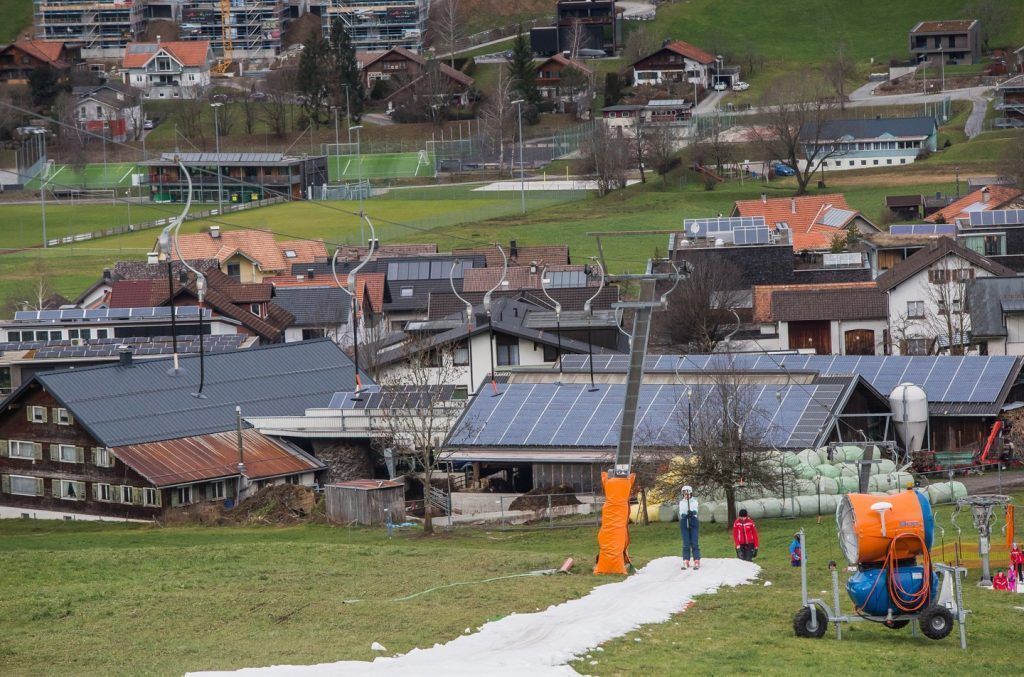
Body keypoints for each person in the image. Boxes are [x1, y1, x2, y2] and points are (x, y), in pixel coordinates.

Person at [678, 485, 700, 570]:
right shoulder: (682, 502)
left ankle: (696, 560)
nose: (686, 495)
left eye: (687, 494)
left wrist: (692, 512)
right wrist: (683, 514)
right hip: (684, 522)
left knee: (694, 542)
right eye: (684, 494)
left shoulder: (694, 501)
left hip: (693, 521)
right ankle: (686, 560)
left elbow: (696, 510)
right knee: (686, 543)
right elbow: (681, 511)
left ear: (690, 493)